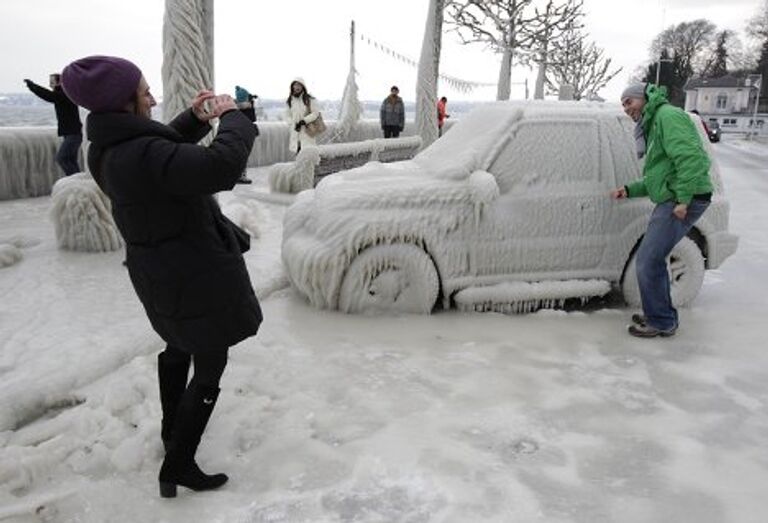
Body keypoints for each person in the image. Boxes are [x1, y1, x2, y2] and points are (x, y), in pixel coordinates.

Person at [61, 55, 262, 497]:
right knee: (210, 363)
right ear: (125, 103)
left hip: (161, 275)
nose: (152, 98)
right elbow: (220, 168)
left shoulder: (107, 148)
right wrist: (233, 118)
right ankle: (179, 464)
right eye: (144, 92)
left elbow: (161, 152)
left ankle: (173, 431)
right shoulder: (143, 153)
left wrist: (194, 118)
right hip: (194, 273)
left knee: (177, 346)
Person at [611, 83, 713, 338]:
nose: (626, 109)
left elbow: (691, 158)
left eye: (629, 102)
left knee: (648, 260)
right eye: (623, 105)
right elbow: (661, 175)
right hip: (675, 195)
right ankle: (660, 315)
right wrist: (630, 189)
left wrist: (683, 200)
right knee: (652, 259)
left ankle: (662, 321)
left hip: (681, 198)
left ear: (644, 98)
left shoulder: (667, 116)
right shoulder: (655, 121)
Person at [24, 73, 83, 175]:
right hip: (71, 133)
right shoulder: (63, 94)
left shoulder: (64, 94)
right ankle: (76, 180)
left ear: (59, 82)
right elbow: (50, 96)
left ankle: (75, 180)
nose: (50, 85)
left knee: (62, 158)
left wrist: (33, 86)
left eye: (52, 82)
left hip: (73, 134)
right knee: (70, 160)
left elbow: (48, 96)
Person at [284, 78, 320, 154]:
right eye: (295, 84)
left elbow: (315, 113)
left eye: (299, 85)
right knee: (297, 153)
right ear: (292, 86)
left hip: (307, 130)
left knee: (307, 153)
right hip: (296, 131)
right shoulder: (290, 100)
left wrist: (304, 121)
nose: (297, 87)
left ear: (303, 86)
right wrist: (292, 124)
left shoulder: (309, 99)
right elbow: (287, 115)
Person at [233, 85, 258, 184]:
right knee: (243, 156)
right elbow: (252, 119)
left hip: (237, 133)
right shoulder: (247, 107)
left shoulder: (234, 106)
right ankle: (241, 176)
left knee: (238, 156)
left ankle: (237, 176)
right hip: (243, 134)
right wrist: (251, 103)